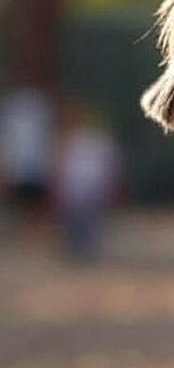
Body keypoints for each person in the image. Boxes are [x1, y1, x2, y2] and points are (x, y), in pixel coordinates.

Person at [51, 99, 122, 262]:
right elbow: (60, 168)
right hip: (73, 191)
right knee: (73, 225)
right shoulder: (67, 141)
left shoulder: (100, 141)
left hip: (92, 191)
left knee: (89, 225)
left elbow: (110, 168)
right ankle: (76, 256)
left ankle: (86, 255)